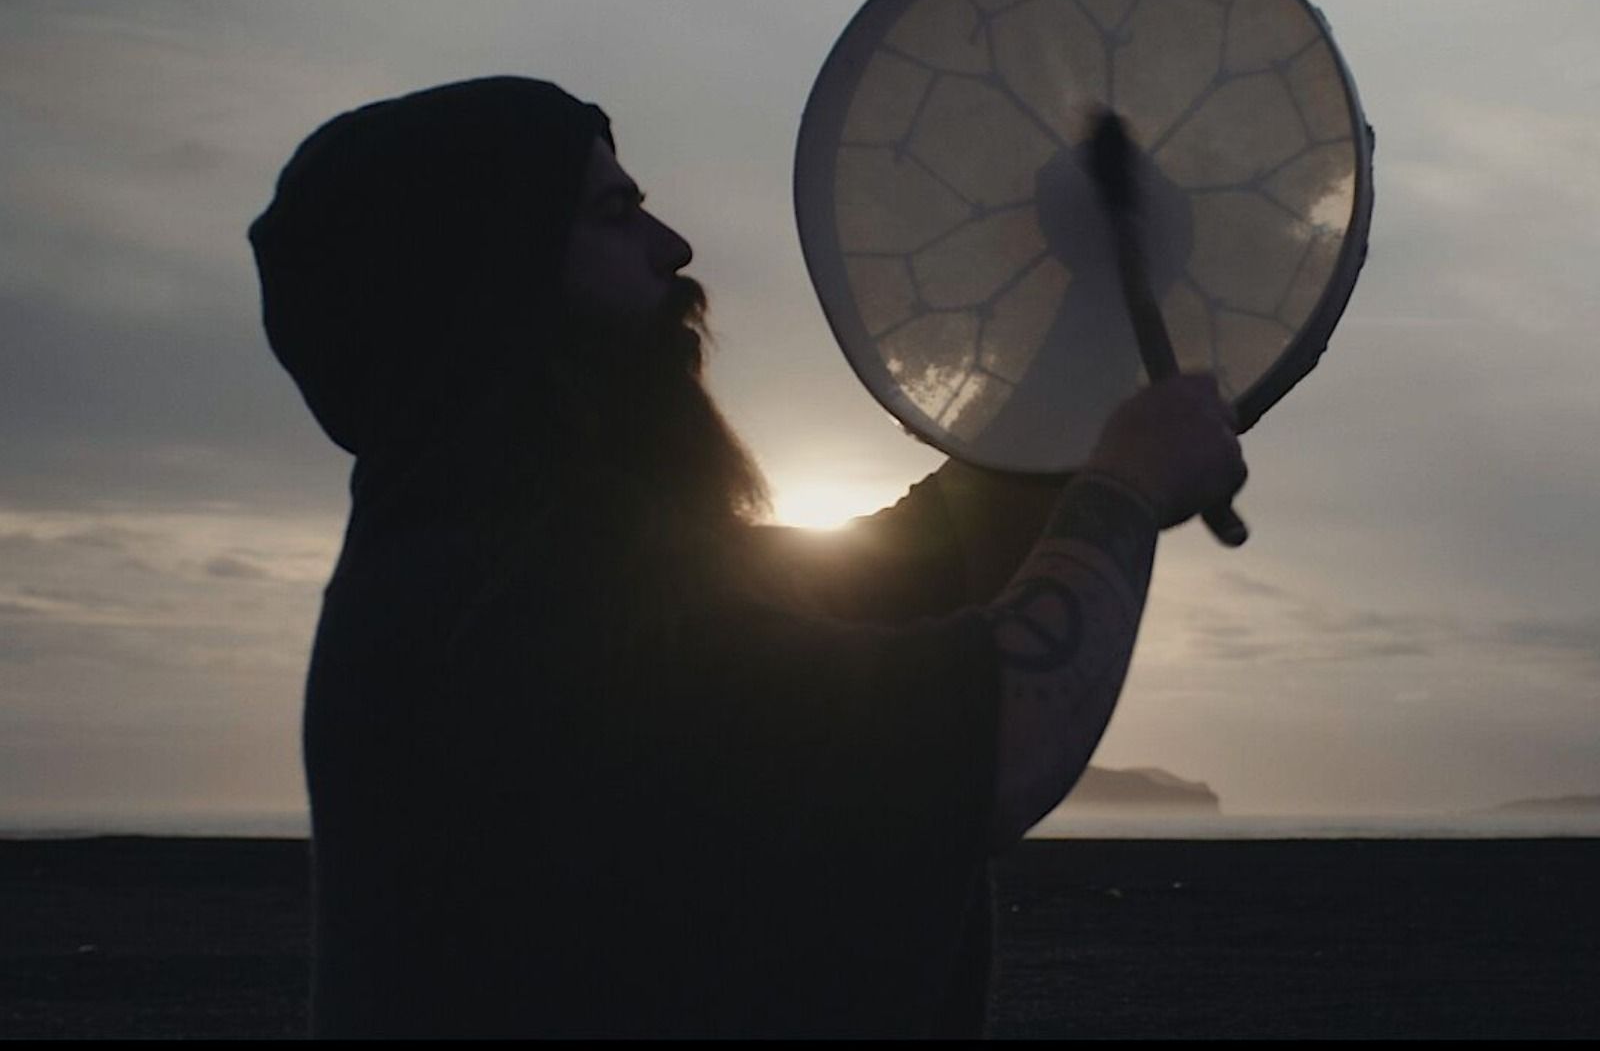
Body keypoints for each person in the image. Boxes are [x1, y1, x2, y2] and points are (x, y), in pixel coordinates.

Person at [249, 77, 1245, 1039]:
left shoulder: (541, 558)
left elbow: (926, 558)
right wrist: (1123, 490)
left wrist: (1096, 301)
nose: (674, 248)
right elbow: (998, 746)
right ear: (491, 280)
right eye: (614, 214)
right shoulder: (509, 604)